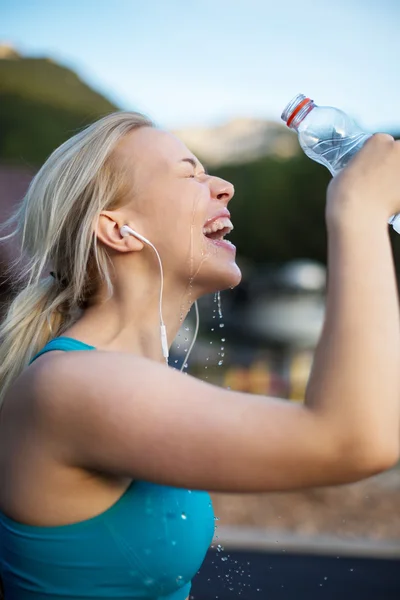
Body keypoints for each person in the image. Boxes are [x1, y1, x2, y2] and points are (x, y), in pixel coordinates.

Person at [0, 112, 399, 600]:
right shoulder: (72, 384)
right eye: (189, 173)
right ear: (119, 230)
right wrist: (358, 210)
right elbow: (353, 441)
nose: (225, 186)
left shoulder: (116, 377)